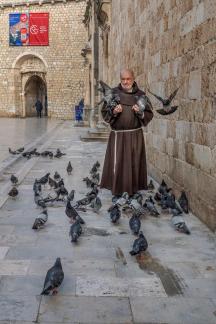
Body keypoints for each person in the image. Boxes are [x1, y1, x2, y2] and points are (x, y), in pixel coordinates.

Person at [100, 69, 154, 200]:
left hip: (135, 135)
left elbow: (149, 114)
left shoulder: (141, 95)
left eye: (128, 79)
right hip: (118, 136)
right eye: (123, 79)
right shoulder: (113, 94)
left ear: (133, 79)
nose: (125, 82)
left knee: (134, 163)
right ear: (120, 79)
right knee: (118, 163)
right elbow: (104, 113)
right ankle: (117, 191)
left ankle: (134, 190)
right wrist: (114, 112)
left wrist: (140, 113)